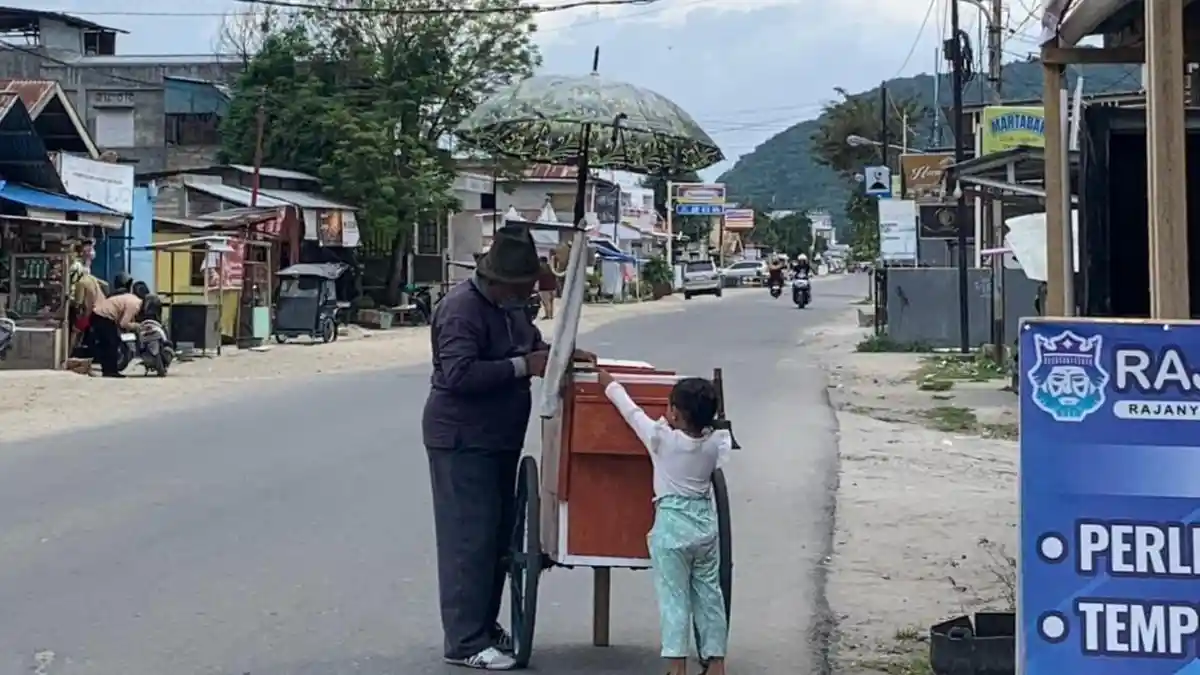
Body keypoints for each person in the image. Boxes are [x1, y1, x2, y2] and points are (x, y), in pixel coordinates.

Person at [423, 224, 594, 670]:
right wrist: (524, 366)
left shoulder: (513, 307)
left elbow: (533, 346)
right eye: (519, 287)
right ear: (496, 280)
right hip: (462, 439)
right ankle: (463, 642)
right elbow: (457, 375)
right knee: (469, 540)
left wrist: (560, 355)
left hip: (499, 437)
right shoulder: (461, 310)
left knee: (497, 539)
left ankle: (482, 626)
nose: (525, 294)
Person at [595, 368, 732, 675]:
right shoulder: (714, 444)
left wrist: (609, 383)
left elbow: (631, 413)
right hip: (704, 528)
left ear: (677, 415)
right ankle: (717, 664)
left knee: (675, 599)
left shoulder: (662, 442)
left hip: (671, 529)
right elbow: (715, 433)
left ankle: (676, 666)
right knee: (709, 595)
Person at [90, 287, 142, 378]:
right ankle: (111, 371)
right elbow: (123, 323)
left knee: (107, 344)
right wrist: (136, 326)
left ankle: (108, 370)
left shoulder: (132, 298)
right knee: (111, 344)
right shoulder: (135, 305)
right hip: (103, 317)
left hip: (98, 314)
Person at [536, 256, 558, 320]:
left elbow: (536, 277)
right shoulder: (551, 267)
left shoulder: (540, 269)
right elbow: (555, 276)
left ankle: (548, 316)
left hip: (544, 288)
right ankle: (550, 315)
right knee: (551, 302)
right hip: (553, 287)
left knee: (546, 303)